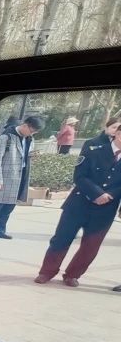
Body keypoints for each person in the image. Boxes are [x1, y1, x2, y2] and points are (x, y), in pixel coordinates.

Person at [36, 115, 121, 287]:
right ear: (117, 134)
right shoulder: (93, 147)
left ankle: (72, 275)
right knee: (61, 238)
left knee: (91, 246)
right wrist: (97, 193)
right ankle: (47, 272)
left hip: (106, 208)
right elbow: (80, 176)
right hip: (79, 202)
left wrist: (109, 195)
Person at [0, 114, 44, 241]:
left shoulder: (29, 139)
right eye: (32, 131)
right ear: (25, 125)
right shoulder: (6, 137)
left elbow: (24, 155)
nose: (32, 134)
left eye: (35, 132)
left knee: (9, 206)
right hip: (5, 176)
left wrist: (31, 155)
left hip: (20, 176)